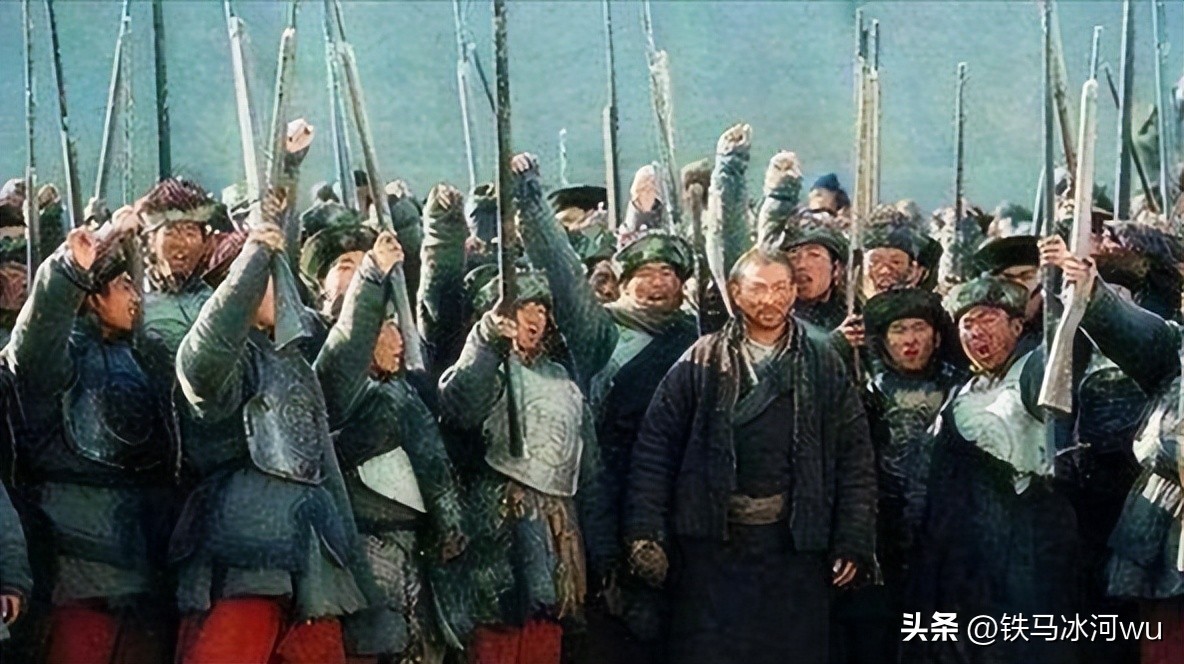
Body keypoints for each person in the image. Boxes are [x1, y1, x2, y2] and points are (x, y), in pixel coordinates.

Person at [625, 246, 876, 664]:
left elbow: (855, 457)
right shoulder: (702, 359)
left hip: (795, 543)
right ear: (736, 293)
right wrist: (645, 529)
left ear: (793, 292)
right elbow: (655, 449)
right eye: (758, 289)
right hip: (713, 545)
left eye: (780, 288)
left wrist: (853, 537)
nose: (770, 299)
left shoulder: (823, 363)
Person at [512, 153, 697, 664]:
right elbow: (563, 276)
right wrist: (530, 199)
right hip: (608, 493)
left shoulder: (700, 336)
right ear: (625, 279)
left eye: (667, 272)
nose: (656, 283)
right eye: (645, 273)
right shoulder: (602, 333)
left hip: (683, 498)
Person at [173, 219, 376, 664]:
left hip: (311, 550)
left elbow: (340, 368)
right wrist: (252, 263)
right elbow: (203, 363)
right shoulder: (216, 359)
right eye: (269, 280)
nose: (282, 293)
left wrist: (374, 279)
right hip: (243, 549)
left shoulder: (294, 362)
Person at [7, 214, 175, 663]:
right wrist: (68, 269)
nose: (136, 297)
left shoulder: (146, 359)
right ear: (94, 298)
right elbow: (36, 338)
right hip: (74, 562)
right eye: (124, 286)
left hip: (142, 558)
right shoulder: (58, 363)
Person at [438, 259, 613, 664]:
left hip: (556, 532)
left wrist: (603, 553)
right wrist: (486, 342)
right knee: (495, 633)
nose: (535, 318)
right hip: (496, 530)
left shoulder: (564, 381)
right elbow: (460, 406)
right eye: (523, 308)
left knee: (544, 632)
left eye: (542, 309)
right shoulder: (485, 370)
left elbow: (589, 474)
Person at [906, 275, 1080, 664]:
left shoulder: (1040, 371)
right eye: (967, 323)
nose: (976, 332)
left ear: (1017, 326)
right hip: (973, 552)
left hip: (1035, 539)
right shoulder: (960, 395)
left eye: (988, 319)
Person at [315, 231, 467, 664]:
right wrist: (371, 276)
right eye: (386, 328)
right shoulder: (341, 388)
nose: (398, 340)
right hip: (364, 542)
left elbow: (433, 463)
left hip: (411, 547)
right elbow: (347, 346)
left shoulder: (407, 392)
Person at [831, 286, 963, 664]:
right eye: (898, 330)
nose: (910, 340)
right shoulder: (862, 389)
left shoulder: (960, 387)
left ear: (936, 336)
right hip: (880, 534)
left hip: (945, 533)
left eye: (918, 328)